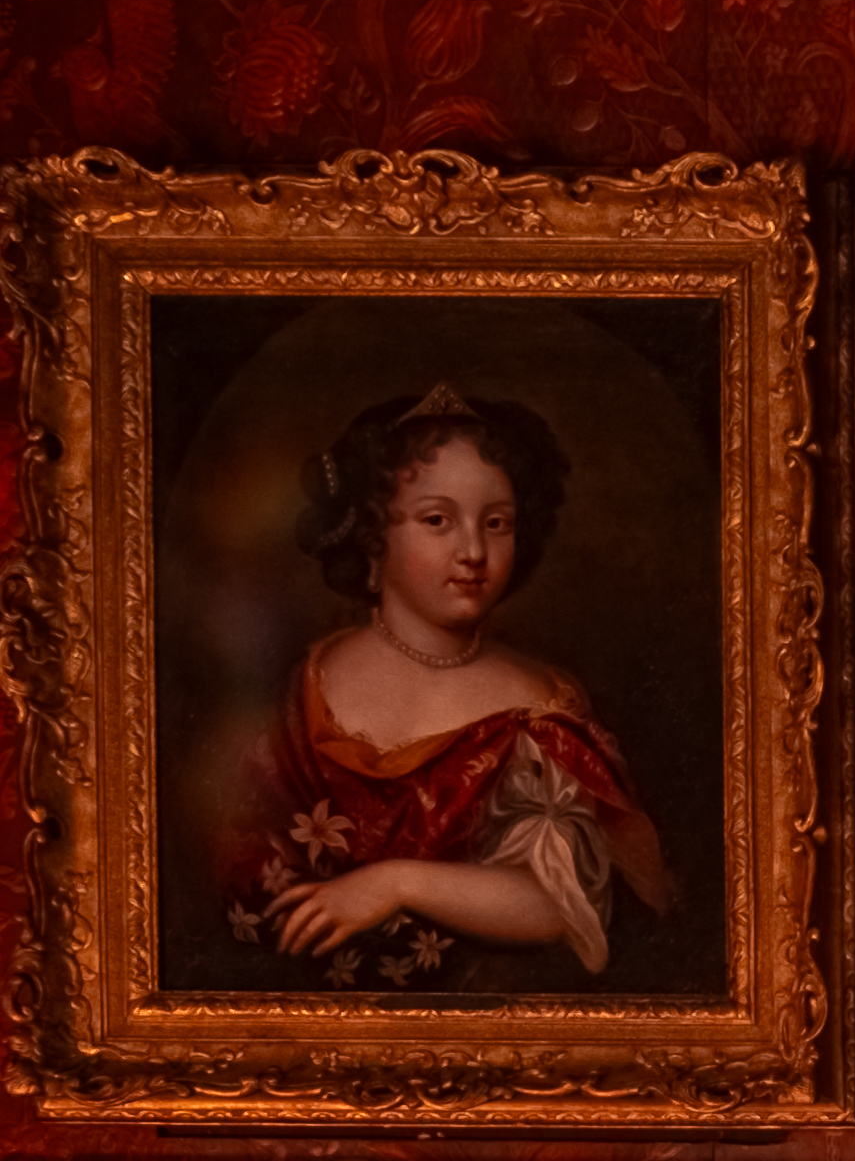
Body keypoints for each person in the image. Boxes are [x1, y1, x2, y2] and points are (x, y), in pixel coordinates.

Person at [222, 379, 676, 990]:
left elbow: (558, 904)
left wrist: (394, 883)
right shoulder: (304, 684)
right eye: (438, 520)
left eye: (497, 523)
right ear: (374, 539)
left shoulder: (538, 712)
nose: (473, 550)